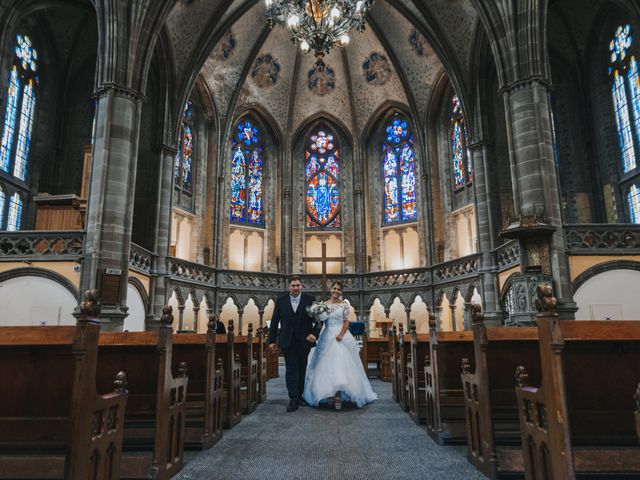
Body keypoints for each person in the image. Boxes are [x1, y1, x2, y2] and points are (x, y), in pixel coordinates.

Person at [303, 281, 377, 409]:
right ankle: (331, 395)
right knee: (326, 366)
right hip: (326, 336)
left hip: (340, 337)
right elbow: (321, 322)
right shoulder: (323, 305)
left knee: (340, 365)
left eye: (339, 289)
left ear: (342, 292)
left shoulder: (344, 305)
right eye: (334, 288)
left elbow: (346, 322)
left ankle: (338, 396)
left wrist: (341, 335)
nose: (336, 291)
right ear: (331, 289)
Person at [268, 276, 319, 412]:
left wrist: (314, 333)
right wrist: (272, 341)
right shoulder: (281, 301)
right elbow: (274, 322)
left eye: (298, 285)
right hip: (287, 341)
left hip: (304, 341)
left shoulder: (310, 300)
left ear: (301, 286)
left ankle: (300, 395)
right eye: (293, 285)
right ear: (289, 286)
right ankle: (293, 398)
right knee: (291, 369)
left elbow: (319, 320)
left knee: (302, 368)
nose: (295, 288)